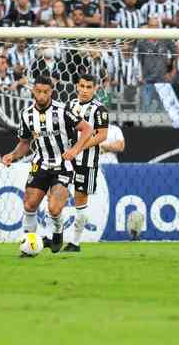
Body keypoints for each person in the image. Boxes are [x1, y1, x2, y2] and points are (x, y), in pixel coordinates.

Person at [1, 76, 92, 255]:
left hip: (63, 164)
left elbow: (87, 129)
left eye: (46, 92)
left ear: (51, 92)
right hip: (40, 163)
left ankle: (57, 234)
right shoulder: (27, 114)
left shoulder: (63, 110)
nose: (41, 96)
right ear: (33, 91)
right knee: (29, 205)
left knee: (54, 208)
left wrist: (75, 150)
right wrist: (12, 155)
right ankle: (29, 246)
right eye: (38, 91)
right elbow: (25, 143)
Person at [62, 74, 109, 252]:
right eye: (82, 86)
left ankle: (75, 242)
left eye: (89, 87)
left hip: (86, 161)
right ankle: (55, 234)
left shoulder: (100, 109)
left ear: (95, 88)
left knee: (80, 200)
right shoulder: (70, 105)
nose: (84, 90)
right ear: (76, 86)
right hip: (66, 159)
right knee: (55, 193)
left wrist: (78, 148)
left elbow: (102, 135)